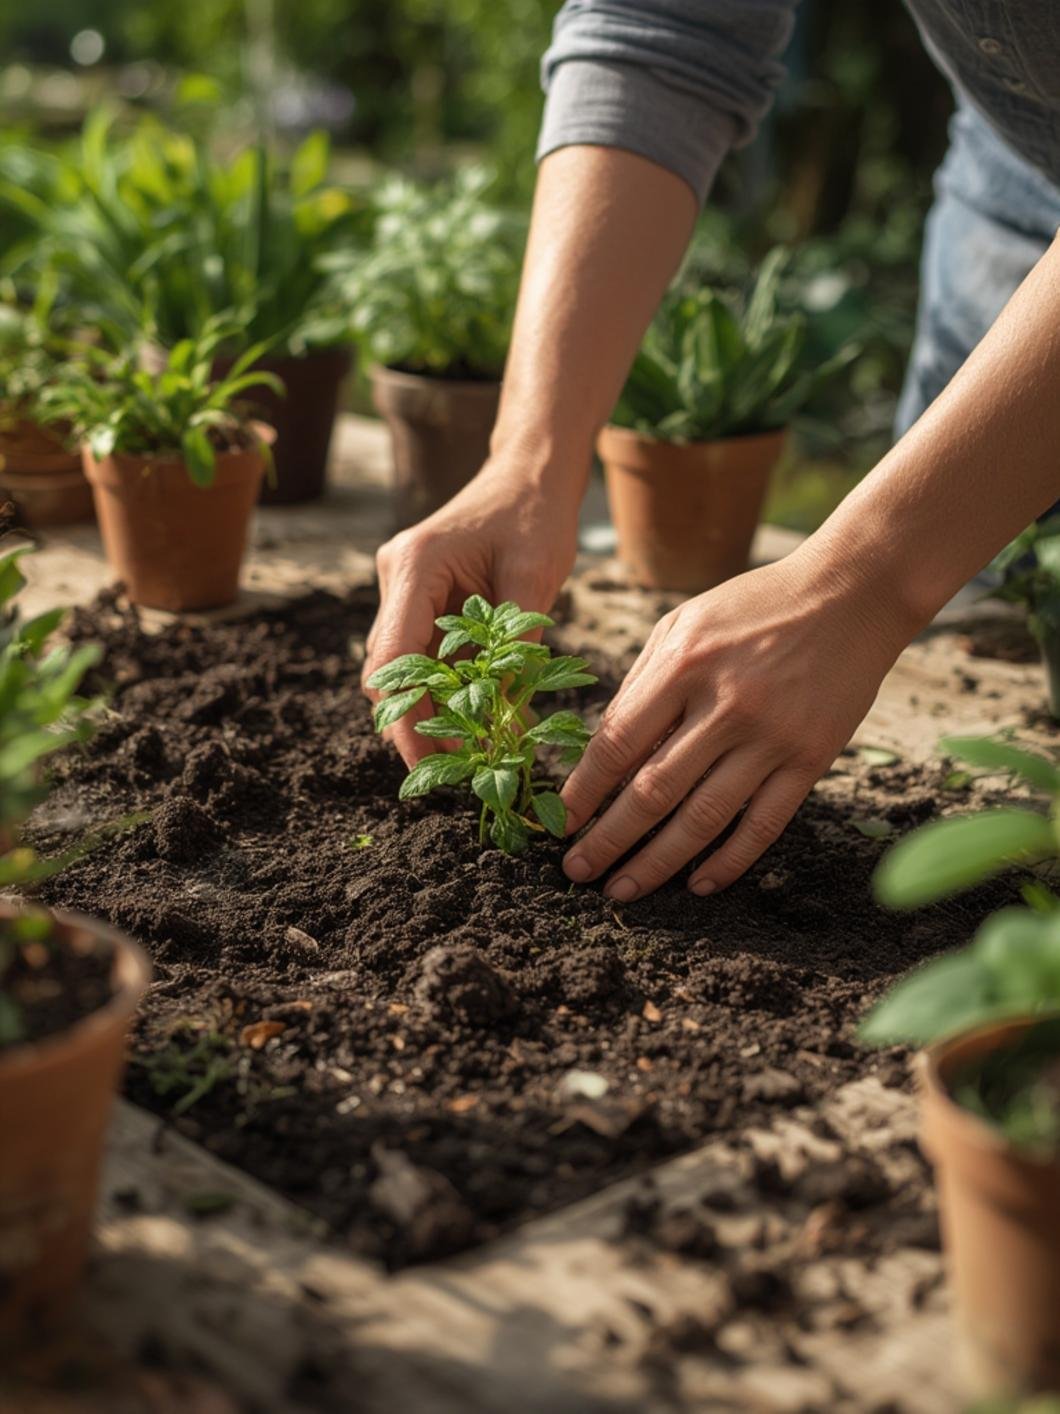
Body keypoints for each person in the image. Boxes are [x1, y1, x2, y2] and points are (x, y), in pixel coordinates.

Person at [364, 1, 1060, 903]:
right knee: (990, 646)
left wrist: (863, 583)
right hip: (1014, 185)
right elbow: (664, 27)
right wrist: (527, 461)